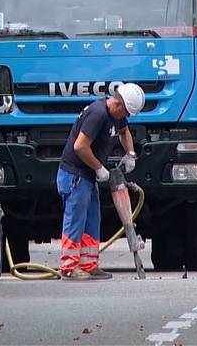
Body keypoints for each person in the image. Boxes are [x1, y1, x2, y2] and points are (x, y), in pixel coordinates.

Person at [56, 83, 145, 280]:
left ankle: (88, 264)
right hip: (75, 175)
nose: (126, 118)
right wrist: (98, 167)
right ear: (119, 104)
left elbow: (124, 132)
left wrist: (130, 154)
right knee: (76, 219)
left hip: (87, 177)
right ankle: (69, 267)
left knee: (91, 219)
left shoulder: (116, 116)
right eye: (127, 113)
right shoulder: (98, 114)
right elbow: (80, 146)